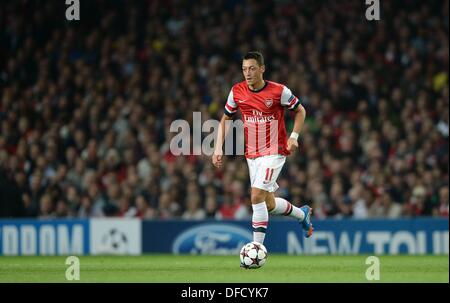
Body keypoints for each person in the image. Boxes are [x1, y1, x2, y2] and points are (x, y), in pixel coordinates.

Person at [212, 51, 313, 251]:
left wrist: (294, 136)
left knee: (256, 195)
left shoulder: (279, 91)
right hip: (252, 154)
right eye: (244, 69)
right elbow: (226, 118)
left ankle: (256, 249)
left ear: (262, 69)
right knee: (267, 204)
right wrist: (217, 147)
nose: (247, 73)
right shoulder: (237, 91)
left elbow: (300, 110)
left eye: (251, 68)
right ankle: (302, 215)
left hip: (274, 151)